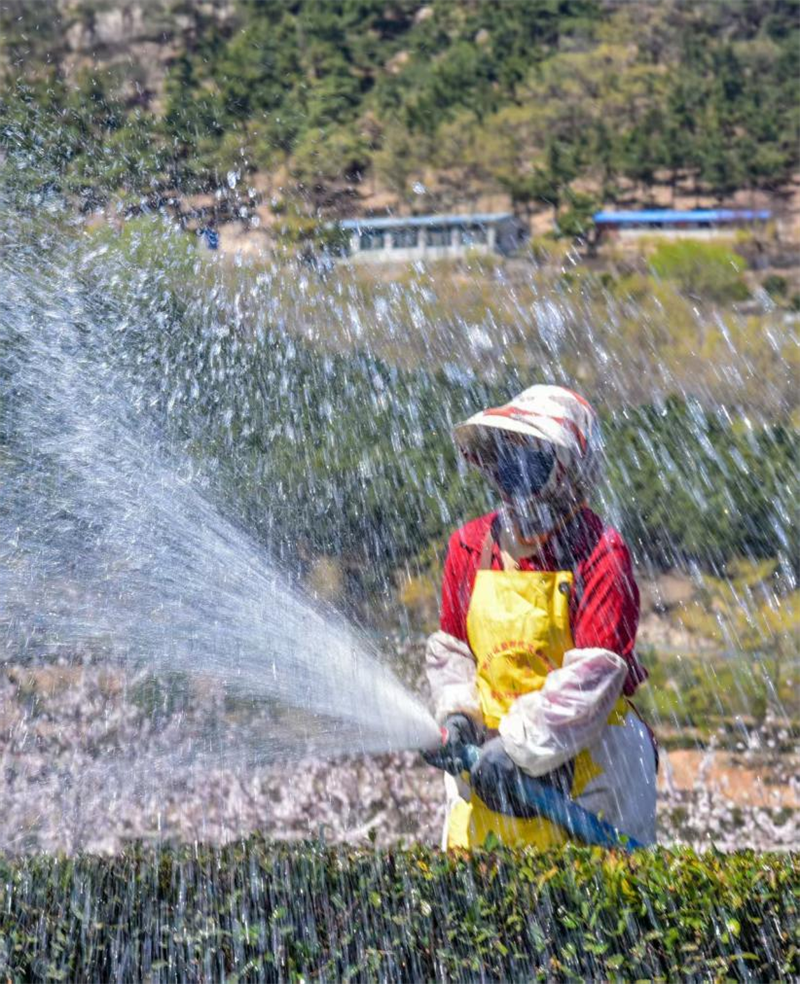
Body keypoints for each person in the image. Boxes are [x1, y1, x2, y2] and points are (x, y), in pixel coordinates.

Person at [425, 384, 657, 850]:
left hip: (592, 772)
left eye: (535, 459)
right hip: (491, 769)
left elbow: (593, 678)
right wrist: (460, 719)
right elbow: (453, 651)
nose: (517, 473)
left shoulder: (600, 552)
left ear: (569, 468)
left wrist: (518, 747)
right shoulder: (470, 546)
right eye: (505, 458)